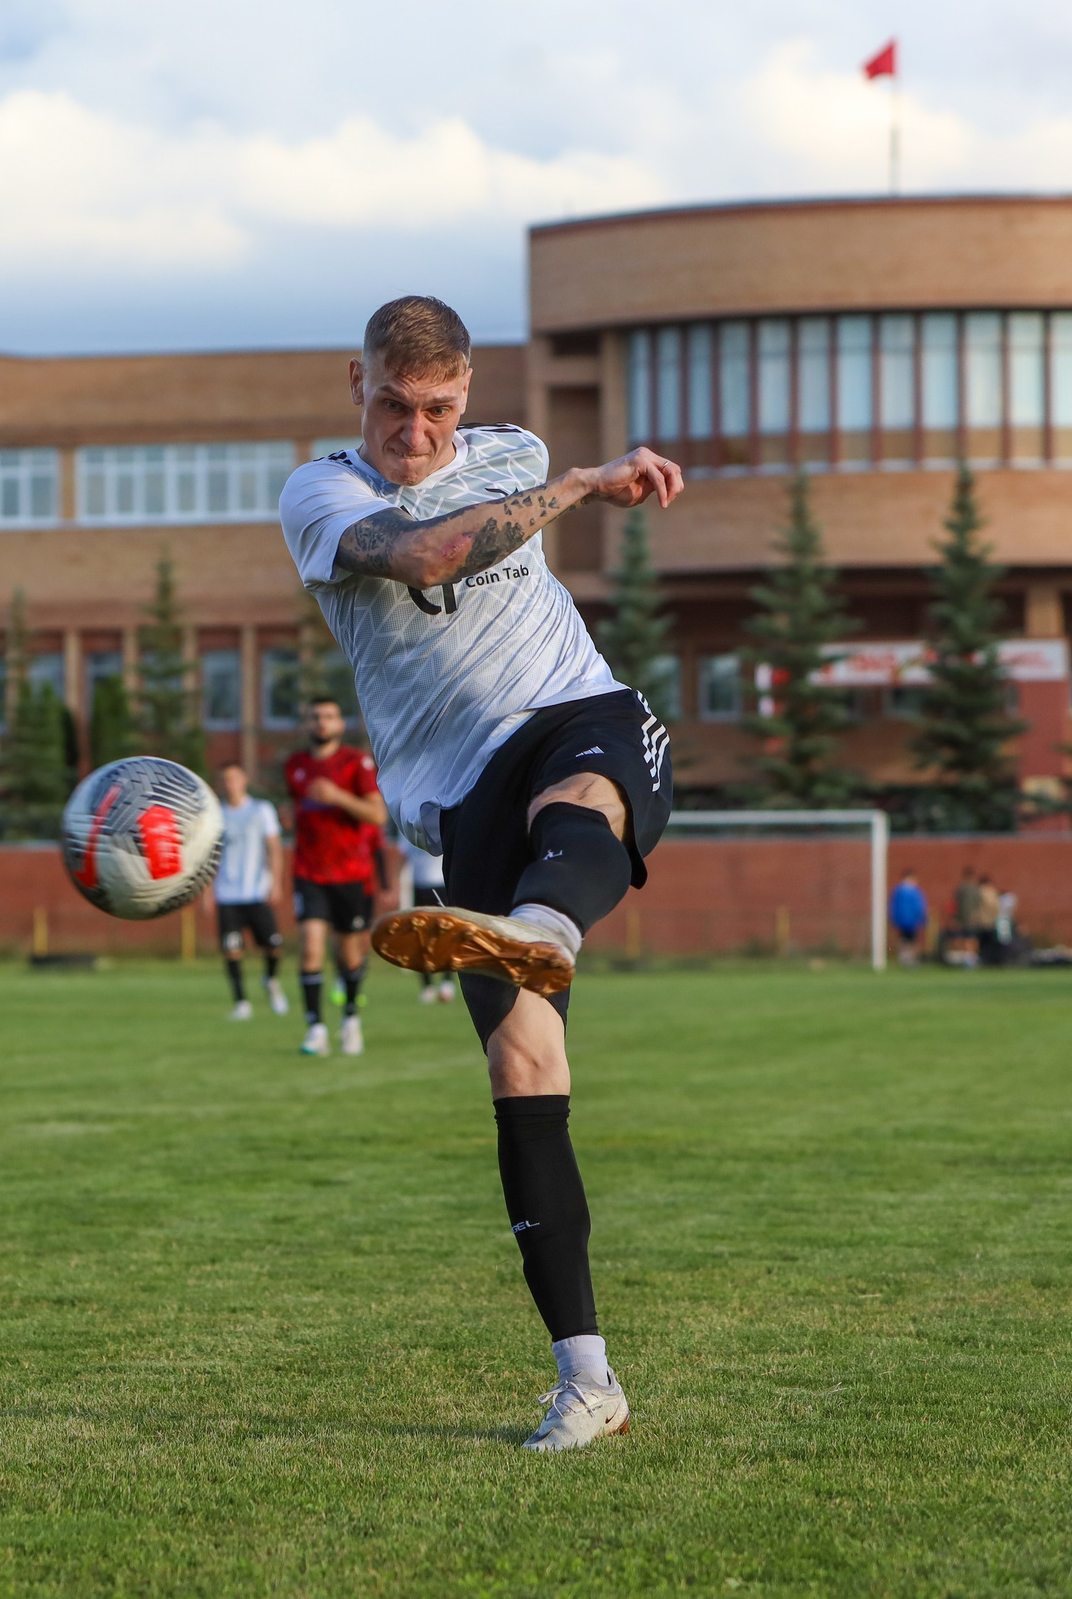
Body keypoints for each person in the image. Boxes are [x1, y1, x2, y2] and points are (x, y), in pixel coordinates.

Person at [280, 295, 683, 1451]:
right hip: (459, 794)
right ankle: (588, 1382)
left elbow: (498, 503)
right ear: (353, 383)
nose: (416, 432)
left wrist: (568, 478)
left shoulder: (513, 451)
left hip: (576, 711)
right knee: (522, 1068)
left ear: (468, 394)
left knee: (581, 795)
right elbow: (426, 554)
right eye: (393, 405)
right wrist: (586, 485)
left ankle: (545, 926)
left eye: (439, 409)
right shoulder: (321, 496)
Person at [285, 696, 385, 1056]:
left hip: (351, 873)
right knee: (310, 948)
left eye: (328, 716)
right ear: (306, 724)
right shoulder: (295, 765)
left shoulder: (356, 763)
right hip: (309, 871)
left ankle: (351, 1019)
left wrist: (338, 797)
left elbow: (377, 816)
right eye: (315, 717)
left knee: (349, 953)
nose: (321, 722)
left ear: (340, 724)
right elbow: (297, 810)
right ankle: (315, 1029)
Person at [210, 762, 288, 1021]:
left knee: (273, 946)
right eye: (226, 779)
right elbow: (209, 855)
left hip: (256, 891)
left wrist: (275, 882)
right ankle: (241, 1003)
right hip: (227, 893)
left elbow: (274, 847)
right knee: (232, 950)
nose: (230, 784)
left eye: (234, 778)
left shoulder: (261, 810)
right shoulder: (216, 815)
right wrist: (207, 891)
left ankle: (271, 980)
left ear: (244, 780)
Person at [395, 826, 454, 1003]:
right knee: (421, 937)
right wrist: (394, 882)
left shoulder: (440, 823)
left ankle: (447, 982)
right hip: (419, 887)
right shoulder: (409, 826)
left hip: (441, 886)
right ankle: (427, 985)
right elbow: (402, 855)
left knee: (445, 935)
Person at [888, 867, 928, 967]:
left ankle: (905, 958)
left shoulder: (898, 891)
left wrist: (893, 919)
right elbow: (919, 906)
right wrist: (923, 919)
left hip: (903, 920)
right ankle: (909, 959)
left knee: (905, 940)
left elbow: (893, 906)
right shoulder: (914, 891)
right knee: (911, 940)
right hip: (911, 920)